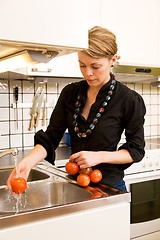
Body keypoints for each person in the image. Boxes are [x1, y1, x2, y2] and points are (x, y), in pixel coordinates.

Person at [7, 26, 146, 193]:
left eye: (95, 66)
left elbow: (136, 150)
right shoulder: (70, 93)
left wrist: (98, 156)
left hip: (110, 188)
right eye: (82, 65)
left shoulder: (128, 99)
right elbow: (51, 137)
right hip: (75, 185)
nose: (88, 73)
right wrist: (27, 162)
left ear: (113, 60)